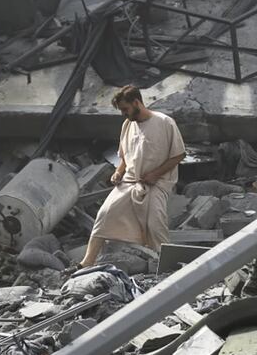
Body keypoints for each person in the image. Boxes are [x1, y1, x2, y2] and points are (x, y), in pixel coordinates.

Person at [79, 86, 185, 267]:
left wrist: (154, 174)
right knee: (105, 215)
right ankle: (86, 262)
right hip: (129, 181)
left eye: (125, 109)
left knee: (155, 225)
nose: (124, 114)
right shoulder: (127, 124)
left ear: (136, 103)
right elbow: (125, 157)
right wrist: (118, 172)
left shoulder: (164, 122)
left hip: (157, 183)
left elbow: (179, 155)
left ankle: (167, 267)